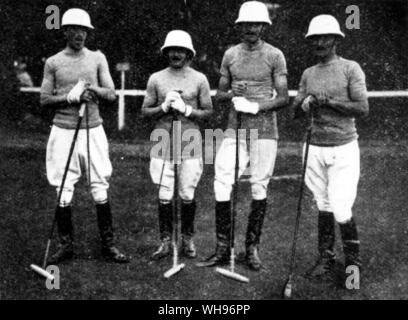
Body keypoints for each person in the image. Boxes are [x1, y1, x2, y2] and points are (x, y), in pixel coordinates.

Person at [198, 1, 289, 271]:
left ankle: (252, 249)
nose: (251, 28)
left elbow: (283, 97)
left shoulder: (275, 55)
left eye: (256, 24)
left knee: (259, 186)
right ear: (240, 26)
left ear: (263, 26)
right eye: (246, 24)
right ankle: (223, 248)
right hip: (234, 129)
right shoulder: (231, 55)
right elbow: (220, 95)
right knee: (221, 181)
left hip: (264, 131)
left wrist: (257, 105)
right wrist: (232, 94)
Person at [40, 8, 129, 264]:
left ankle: (108, 245)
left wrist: (92, 90)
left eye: (84, 31)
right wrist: (69, 97)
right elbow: (44, 99)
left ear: (88, 32)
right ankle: (65, 245)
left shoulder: (97, 58)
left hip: (92, 129)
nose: (80, 35)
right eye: (75, 30)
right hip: (62, 130)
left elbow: (111, 94)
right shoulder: (53, 62)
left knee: (100, 184)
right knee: (63, 188)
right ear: (65, 31)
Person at [291, 15, 369, 280]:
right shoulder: (308, 73)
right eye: (315, 39)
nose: (320, 43)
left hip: (343, 147)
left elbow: (362, 108)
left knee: (342, 207)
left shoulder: (350, 68)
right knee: (323, 204)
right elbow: (294, 112)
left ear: (336, 40)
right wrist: (305, 104)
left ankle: (353, 266)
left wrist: (330, 102)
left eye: (325, 38)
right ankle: (326, 258)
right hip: (314, 147)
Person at [141, 30, 213, 260]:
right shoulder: (156, 78)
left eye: (181, 50)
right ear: (166, 52)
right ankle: (165, 241)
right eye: (172, 50)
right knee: (164, 191)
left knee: (187, 192)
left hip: (190, 137)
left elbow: (209, 112)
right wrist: (163, 107)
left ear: (188, 53)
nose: (176, 54)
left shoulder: (199, 79)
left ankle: (187, 239)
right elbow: (144, 112)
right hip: (162, 137)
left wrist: (186, 109)